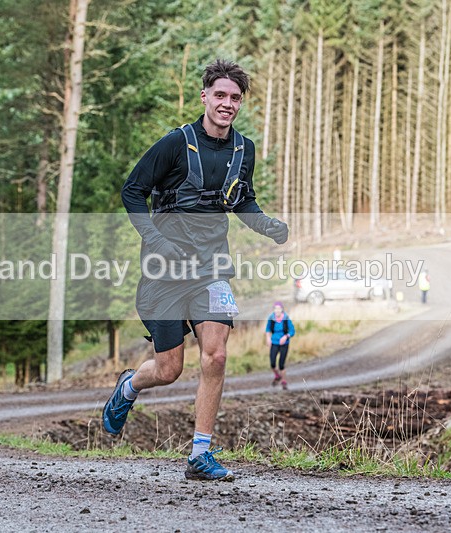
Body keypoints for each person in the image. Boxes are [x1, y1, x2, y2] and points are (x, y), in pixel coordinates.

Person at [102, 59, 289, 482]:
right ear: (205, 96)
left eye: (235, 98)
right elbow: (132, 191)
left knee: (216, 354)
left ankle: (199, 454)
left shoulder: (243, 150)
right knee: (169, 370)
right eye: (220, 95)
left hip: (212, 266)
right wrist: (155, 240)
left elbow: (241, 200)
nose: (227, 104)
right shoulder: (175, 144)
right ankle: (129, 386)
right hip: (165, 270)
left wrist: (266, 225)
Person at [265, 302, 295, 390]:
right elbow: (268, 329)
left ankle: (284, 381)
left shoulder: (286, 318)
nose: (277, 310)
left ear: (282, 309)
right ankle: (277, 376)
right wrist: (268, 338)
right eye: (275, 309)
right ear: (274, 310)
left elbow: (292, 331)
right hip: (274, 342)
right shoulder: (271, 318)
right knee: (272, 363)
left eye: (279, 308)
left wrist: (286, 336)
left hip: (284, 343)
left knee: (281, 364)